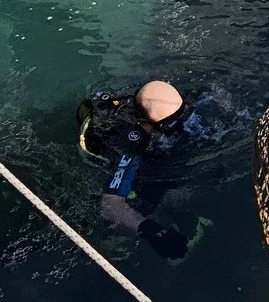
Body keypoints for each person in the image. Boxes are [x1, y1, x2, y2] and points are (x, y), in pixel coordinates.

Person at [77, 81, 192, 260]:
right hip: (111, 160)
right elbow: (110, 206)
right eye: (173, 124)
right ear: (147, 124)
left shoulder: (136, 102)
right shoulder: (128, 150)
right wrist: (154, 232)